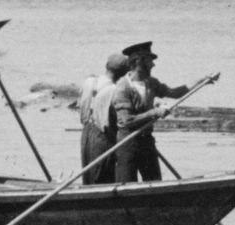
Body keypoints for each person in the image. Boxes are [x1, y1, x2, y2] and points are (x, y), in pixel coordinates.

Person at [118, 39, 189, 184]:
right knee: (127, 186)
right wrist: (154, 112)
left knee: (154, 182)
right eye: (150, 60)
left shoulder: (151, 82)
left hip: (147, 141)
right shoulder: (123, 88)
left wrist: (201, 81)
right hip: (127, 143)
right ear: (139, 61)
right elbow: (127, 121)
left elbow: (174, 93)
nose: (153, 64)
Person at [80, 52, 133, 184]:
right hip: (102, 137)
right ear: (124, 74)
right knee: (103, 177)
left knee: (89, 176)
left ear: (107, 66)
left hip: (86, 133)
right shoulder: (114, 90)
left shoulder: (89, 82)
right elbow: (117, 119)